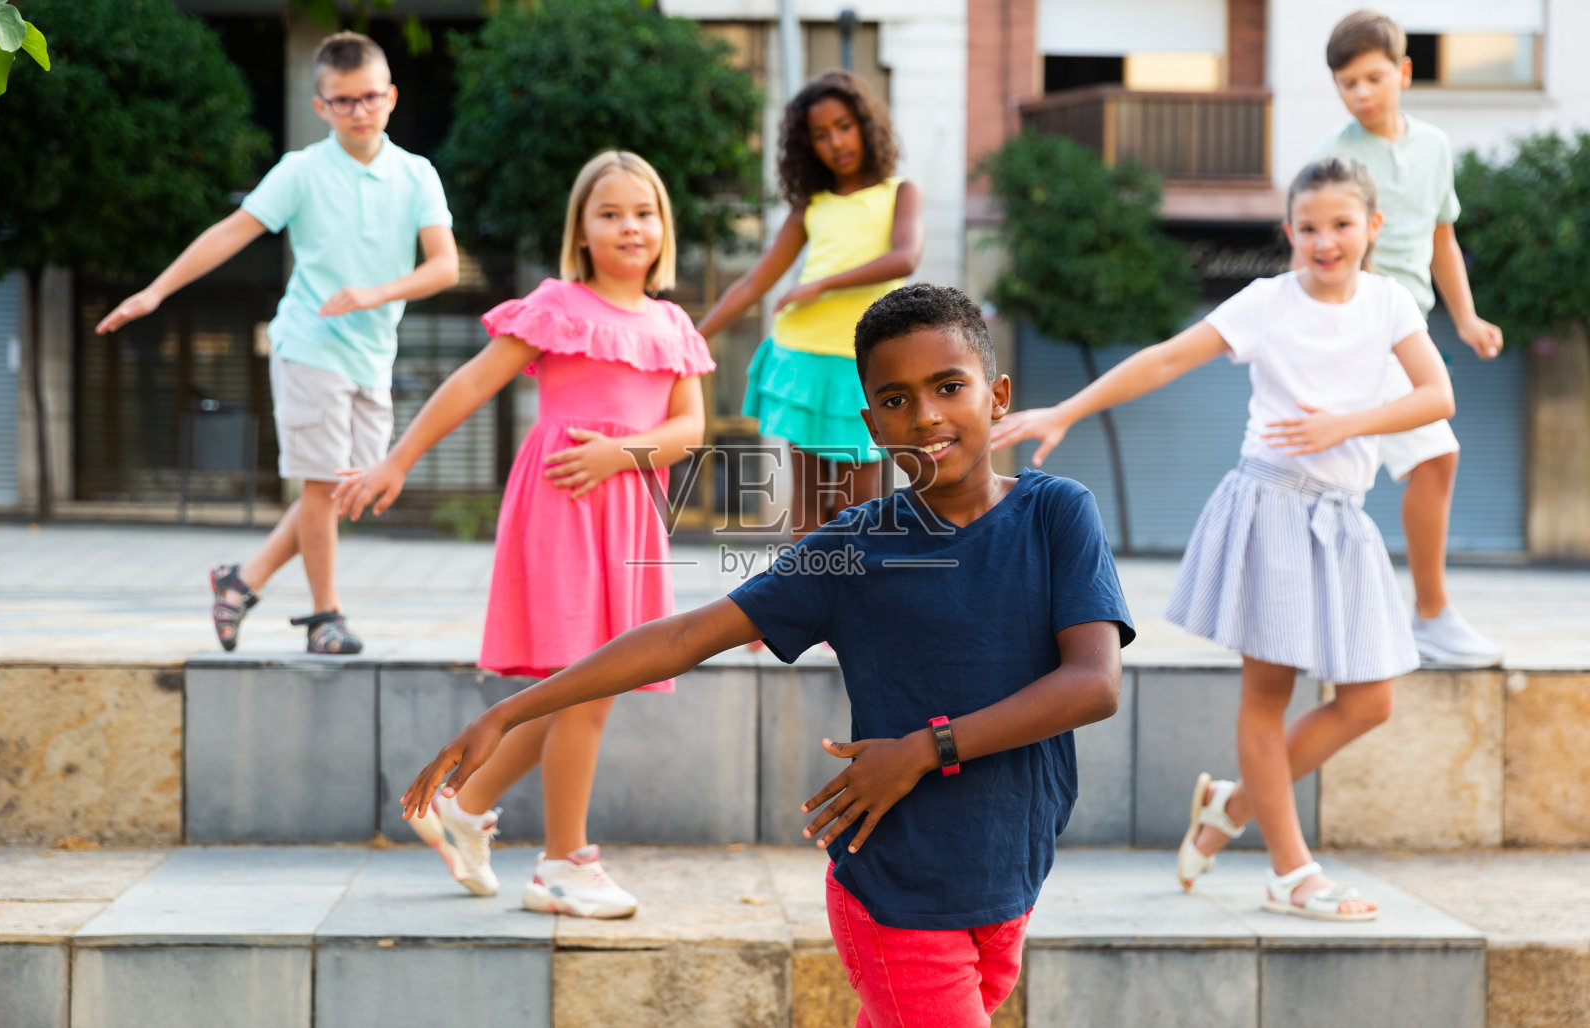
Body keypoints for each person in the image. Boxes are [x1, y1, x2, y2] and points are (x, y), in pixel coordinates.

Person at [401, 283, 1132, 1025]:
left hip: (1010, 877)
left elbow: (1093, 684)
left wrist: (924, 749)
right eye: (896, 399)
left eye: (949, 387)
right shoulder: (851, 549)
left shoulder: (1055, 514)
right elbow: (685, 636)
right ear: (870, 423)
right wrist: (513, 709)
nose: (927, 416)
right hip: (898, 890)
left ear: (998, 394)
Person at [993, 158, 1455, 921]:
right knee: (1267, 698)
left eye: (1341, 225)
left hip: (1343, 517)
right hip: (1272, 505)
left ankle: (1233, 805)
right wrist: (1066, 410)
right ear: (1289, 233)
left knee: (1371, 700)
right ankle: (1290, 873)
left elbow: (1435, 393)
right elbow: (1169, 357)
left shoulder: (1390, 302)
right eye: (1308, 227)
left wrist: (1346, 424)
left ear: (1372, 228)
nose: (1325, 241)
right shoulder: (1268, 301)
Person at [335, 151, 713, 918]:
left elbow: (690, 429)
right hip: (563, 511)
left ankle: (467, 808)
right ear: (581, 229)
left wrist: (621, 453)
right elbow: (472, 381)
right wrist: (398, 459)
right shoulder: (557, 306)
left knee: (579, 690)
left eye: (642, 212)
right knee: (585, 688)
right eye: (609, 213)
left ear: (663, 227)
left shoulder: (673, 324)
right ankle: (563, 866)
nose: (628, 226)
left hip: (629, 515)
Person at [94, 31, 459, 655]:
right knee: (322, 486)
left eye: (370, 97)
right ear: (320, 106)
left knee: (349, 491)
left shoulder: (416, 174)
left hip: (373, 351)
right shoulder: (302, 172)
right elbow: (231, 232)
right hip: (308, 343)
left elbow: (445, 267)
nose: (358, 111)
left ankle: (243, 580)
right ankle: (326, 619)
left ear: (391, 96)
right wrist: (156, 292)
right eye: (342, 101)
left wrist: (375, 293)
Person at [1311, 9, 1504, 667]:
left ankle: (1418, 615)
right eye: (1346, 84)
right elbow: (1320, 254)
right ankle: (1429, 614)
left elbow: (1440, 238)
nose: (1360, 94)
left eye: (1372, 79)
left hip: (1410, 324)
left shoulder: (1433, 147)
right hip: (1363, 322)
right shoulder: (1336, 161)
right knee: (1427, 458)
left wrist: (1469, 318)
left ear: (1404, 73)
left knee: (1375, 471)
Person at [696, 69, 924, 539]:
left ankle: (862, 609)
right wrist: (691, 341)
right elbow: (753, 282)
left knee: (863, 509)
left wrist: (820, 286)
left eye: (844, 125)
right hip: (803, 357)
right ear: (807, 147)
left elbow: (905, 256)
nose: (836, 142)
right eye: (820, 135)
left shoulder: (899, 193)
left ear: (866, 124)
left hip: (861, 366)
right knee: (809, 508)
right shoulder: (810, 206)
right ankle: (804, 607)